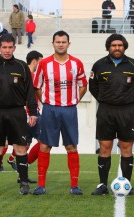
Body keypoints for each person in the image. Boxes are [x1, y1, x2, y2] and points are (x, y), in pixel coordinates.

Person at [0, 34, 38, 195]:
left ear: (14, 48)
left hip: (17, 112)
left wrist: (32, 112)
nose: (7, 50)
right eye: (4, 47)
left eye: (10, 47)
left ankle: (24, 183)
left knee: (20, 148)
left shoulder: (22, 67)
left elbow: (30, 92)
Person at [33, 31, 88, 196]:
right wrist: (46, 102)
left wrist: (75, 100)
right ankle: (41, 185)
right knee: (45, 145)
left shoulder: (76, 63)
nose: (61, 44)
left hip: (69, 109)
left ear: (68, 44)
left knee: (71, 146)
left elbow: (83, 85)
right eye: (58, 42)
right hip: (50, 109)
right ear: (53, 43)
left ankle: (74, 186)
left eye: (64, 42)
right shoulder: (44, 64)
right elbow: (37, 86)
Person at [89, 33, 134, 196]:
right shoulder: (99, 65)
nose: (117, 48)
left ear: (124, 47)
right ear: (108, 47)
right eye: (114, 45)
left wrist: (127, 101)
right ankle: (102, 185)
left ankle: (127, 184)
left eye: (120, 45)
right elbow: (93, 86)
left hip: (127, 111)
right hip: (105, 111)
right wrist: (104, 99)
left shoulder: (133, 65)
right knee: (105, 147)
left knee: (127, 147)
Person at [7, 50, 44, 184]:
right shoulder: (32, 75)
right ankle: (24, 166)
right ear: (35, 61)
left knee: (25, 144)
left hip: (25, 114)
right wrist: (31, 113)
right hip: (31, 114)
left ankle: (22, 175)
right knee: (44, 142)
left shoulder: (22, 74)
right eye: (40, 61)